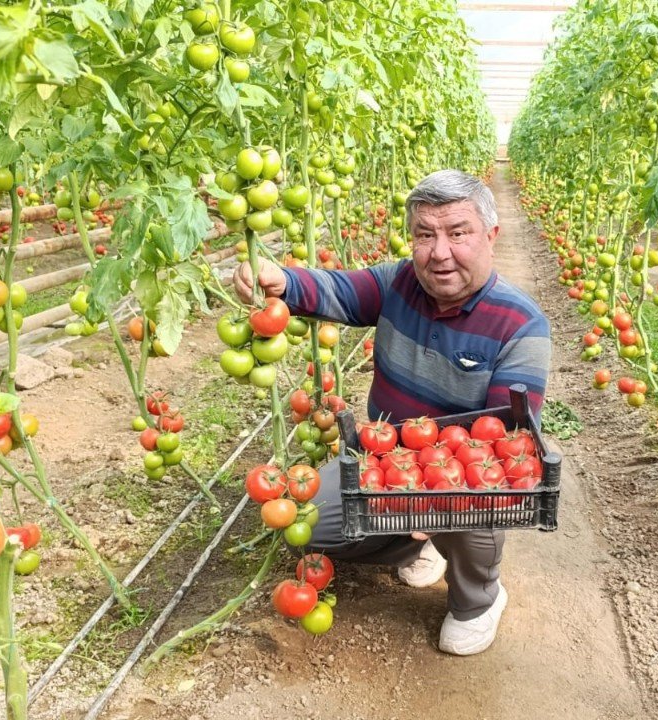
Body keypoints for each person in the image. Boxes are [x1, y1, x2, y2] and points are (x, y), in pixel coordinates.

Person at [233, 169, 550, 656]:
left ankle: (478, 600)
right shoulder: (398, 283)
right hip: (382, 463)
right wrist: (284, 282)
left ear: (491, 235)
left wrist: (429, 503)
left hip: (460, 477)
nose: (439, 252)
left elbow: (505, 445)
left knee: (482, 506)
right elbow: (337, 290)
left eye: (458, 233)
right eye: (424, 235)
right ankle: (416, 542)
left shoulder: (521, 324)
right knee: (309, 525)